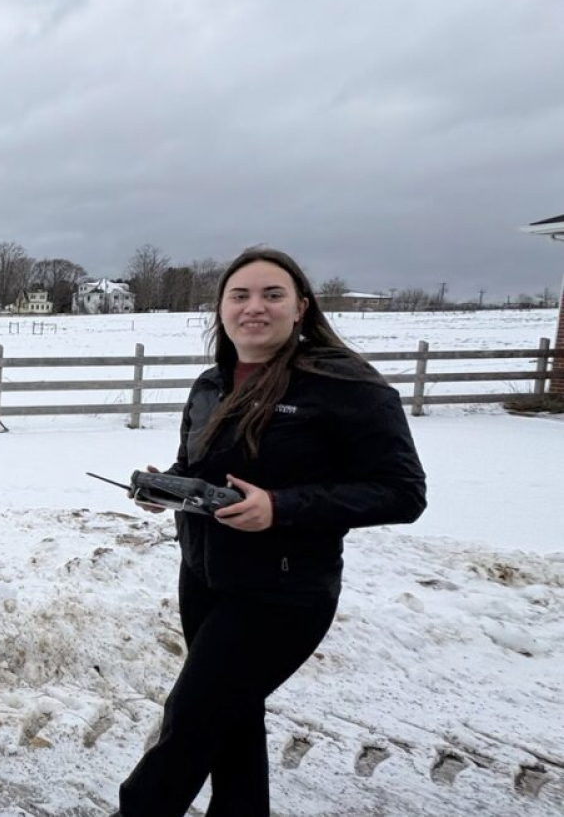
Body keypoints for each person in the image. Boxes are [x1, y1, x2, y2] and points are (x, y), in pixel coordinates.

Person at [112, 246, 427, 817]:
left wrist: (279, 507)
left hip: (283, 592)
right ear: (221, 309)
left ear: (301, 307)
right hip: (204, 577)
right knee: (232, 717)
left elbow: (403, 492)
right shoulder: (211, 383)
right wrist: (169, 488)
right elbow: (200, 466)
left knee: (190, 721)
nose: (253, 307)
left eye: (271, 294)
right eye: (240, 295)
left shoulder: (344, 386)